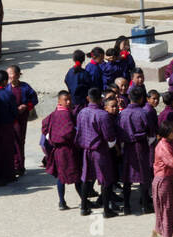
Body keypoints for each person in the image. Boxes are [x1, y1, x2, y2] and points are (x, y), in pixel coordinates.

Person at [76, 86, 118, 218]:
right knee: (105, 180)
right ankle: (106, 210)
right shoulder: (102, 115)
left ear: (89, 98)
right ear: (101, 99)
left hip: (86, 150)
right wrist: (113, 145)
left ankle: (84, 207)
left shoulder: (82, 112)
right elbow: (109, 137)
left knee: (87, 178)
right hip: (100, 151)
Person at [120, 85, 158, 215]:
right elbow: (151, 132)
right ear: (142, 98)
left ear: (129, 97)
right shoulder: (143, 113)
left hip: (127, 147)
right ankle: (145, 205)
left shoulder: (123, 113)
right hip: (141, 146)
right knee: (143, 176)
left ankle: (126, 206)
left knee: (127, 178)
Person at [41, 91, 79, 210]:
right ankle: (83, 201)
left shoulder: (54, 113)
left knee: (61, 176)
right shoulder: (66, 115)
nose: (68, 102)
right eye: (65, 100)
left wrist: (49, 137)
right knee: (76, 175)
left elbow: (44, 125)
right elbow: (69, 132)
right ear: (59, 101)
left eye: (69, 99)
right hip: (67, 150)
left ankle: (62, 202)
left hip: (58, 150)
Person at [151, 116, 173, 237]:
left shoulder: (171, 143)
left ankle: (167, 234)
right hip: (163, 180)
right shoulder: (163, 146)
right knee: (166, 209)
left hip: (170, 179)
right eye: (172, 131)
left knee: (172, 207)